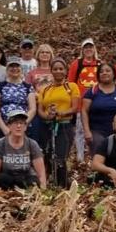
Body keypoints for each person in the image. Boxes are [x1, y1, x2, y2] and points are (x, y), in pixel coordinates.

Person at [36, 58, 80, 188]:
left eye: (61, 69)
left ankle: (63, 185)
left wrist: (60, 113)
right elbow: (40, 109)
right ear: (51, 71)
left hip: (64, 126)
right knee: (48, 155)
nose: (58, 71)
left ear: (66, 71)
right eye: (55, 69)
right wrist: (48, 116)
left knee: (60, 156)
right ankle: (50, 183)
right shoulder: (45, 89)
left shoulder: (71, 87)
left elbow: (74, 108)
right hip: (47, 126)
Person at [0, 108, 46, 193]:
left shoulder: (32, 144)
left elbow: (41, 175)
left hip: (25, 179)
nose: (19, 126)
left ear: (25, 127)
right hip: (8, 180)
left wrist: (44, 196)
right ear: (9, 126)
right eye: (15, 123)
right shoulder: (0, 144)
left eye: (21, 123)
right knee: (1, 178)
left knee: (34, 181)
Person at [81, 62, 116, 155]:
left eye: (108, 71)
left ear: (114, 74)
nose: (104, 73)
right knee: (100, 156)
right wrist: (87, 131)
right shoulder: (92, 91)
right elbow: (84, 111)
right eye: (101, 71)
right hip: (97, 131)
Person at [68, 38, 99, 161]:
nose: (88, 49)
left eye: (90, 47)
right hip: (81, 103)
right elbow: (71, 82)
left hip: (96, 102)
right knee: (80, 131)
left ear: (94, 48)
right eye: (86, 47)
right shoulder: (77, 64)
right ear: (82, 49)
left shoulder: (99, 63)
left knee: (94, 130)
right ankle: (80, 158)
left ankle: (94, 157)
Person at [0, 56, 37, 140]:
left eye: (17, 66)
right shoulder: (0, 86)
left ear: (21, 69)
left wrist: (22, 125)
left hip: (23, 128)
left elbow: (33, 109)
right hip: (3, 128)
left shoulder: (28, 87)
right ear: (7, 69)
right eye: (11, 66)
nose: (14, 68)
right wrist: (4, 128)